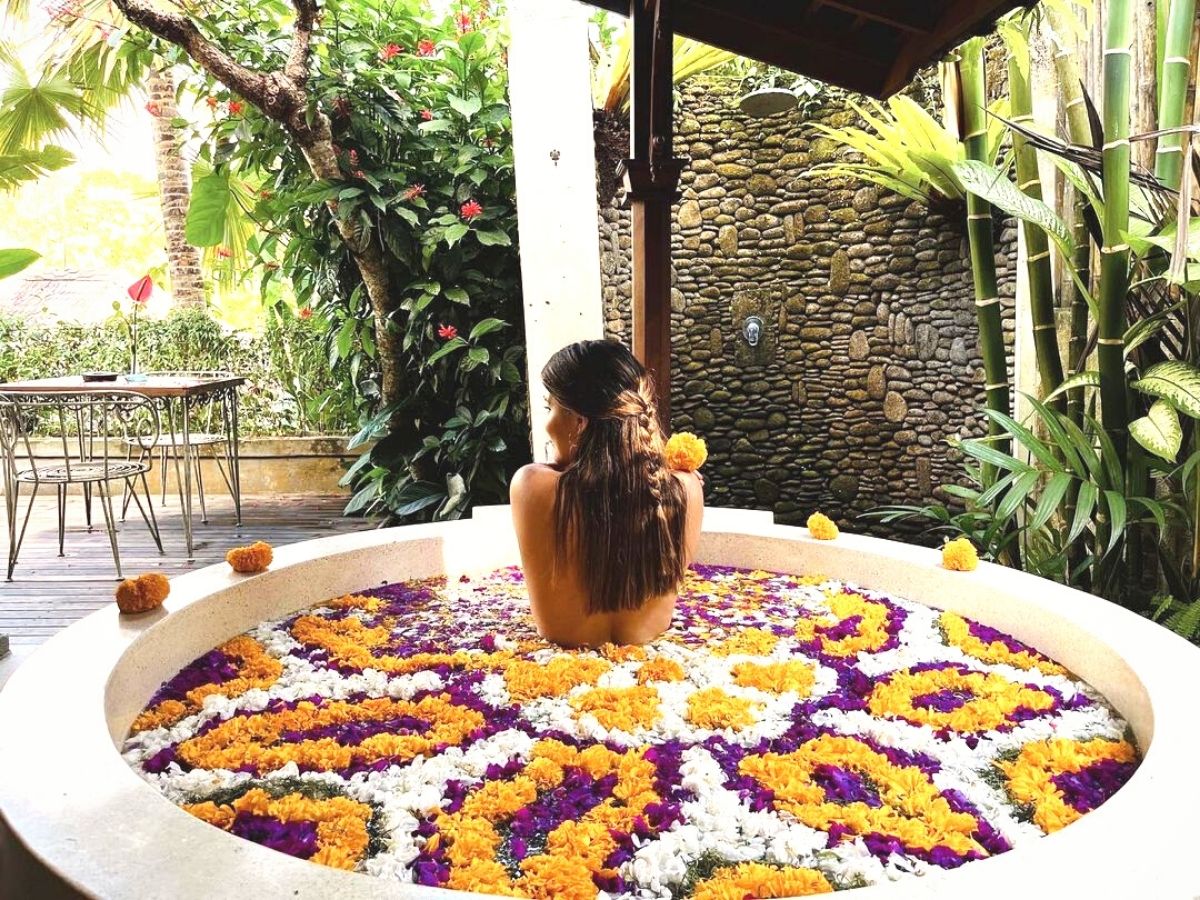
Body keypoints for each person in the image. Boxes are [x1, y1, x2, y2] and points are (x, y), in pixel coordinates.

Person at [510, 339, 704, 647]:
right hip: (652, 663)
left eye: (551, 408)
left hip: (562, 661)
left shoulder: (530, 486)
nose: (546, 425)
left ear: (579, 422)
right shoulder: (686, 489)